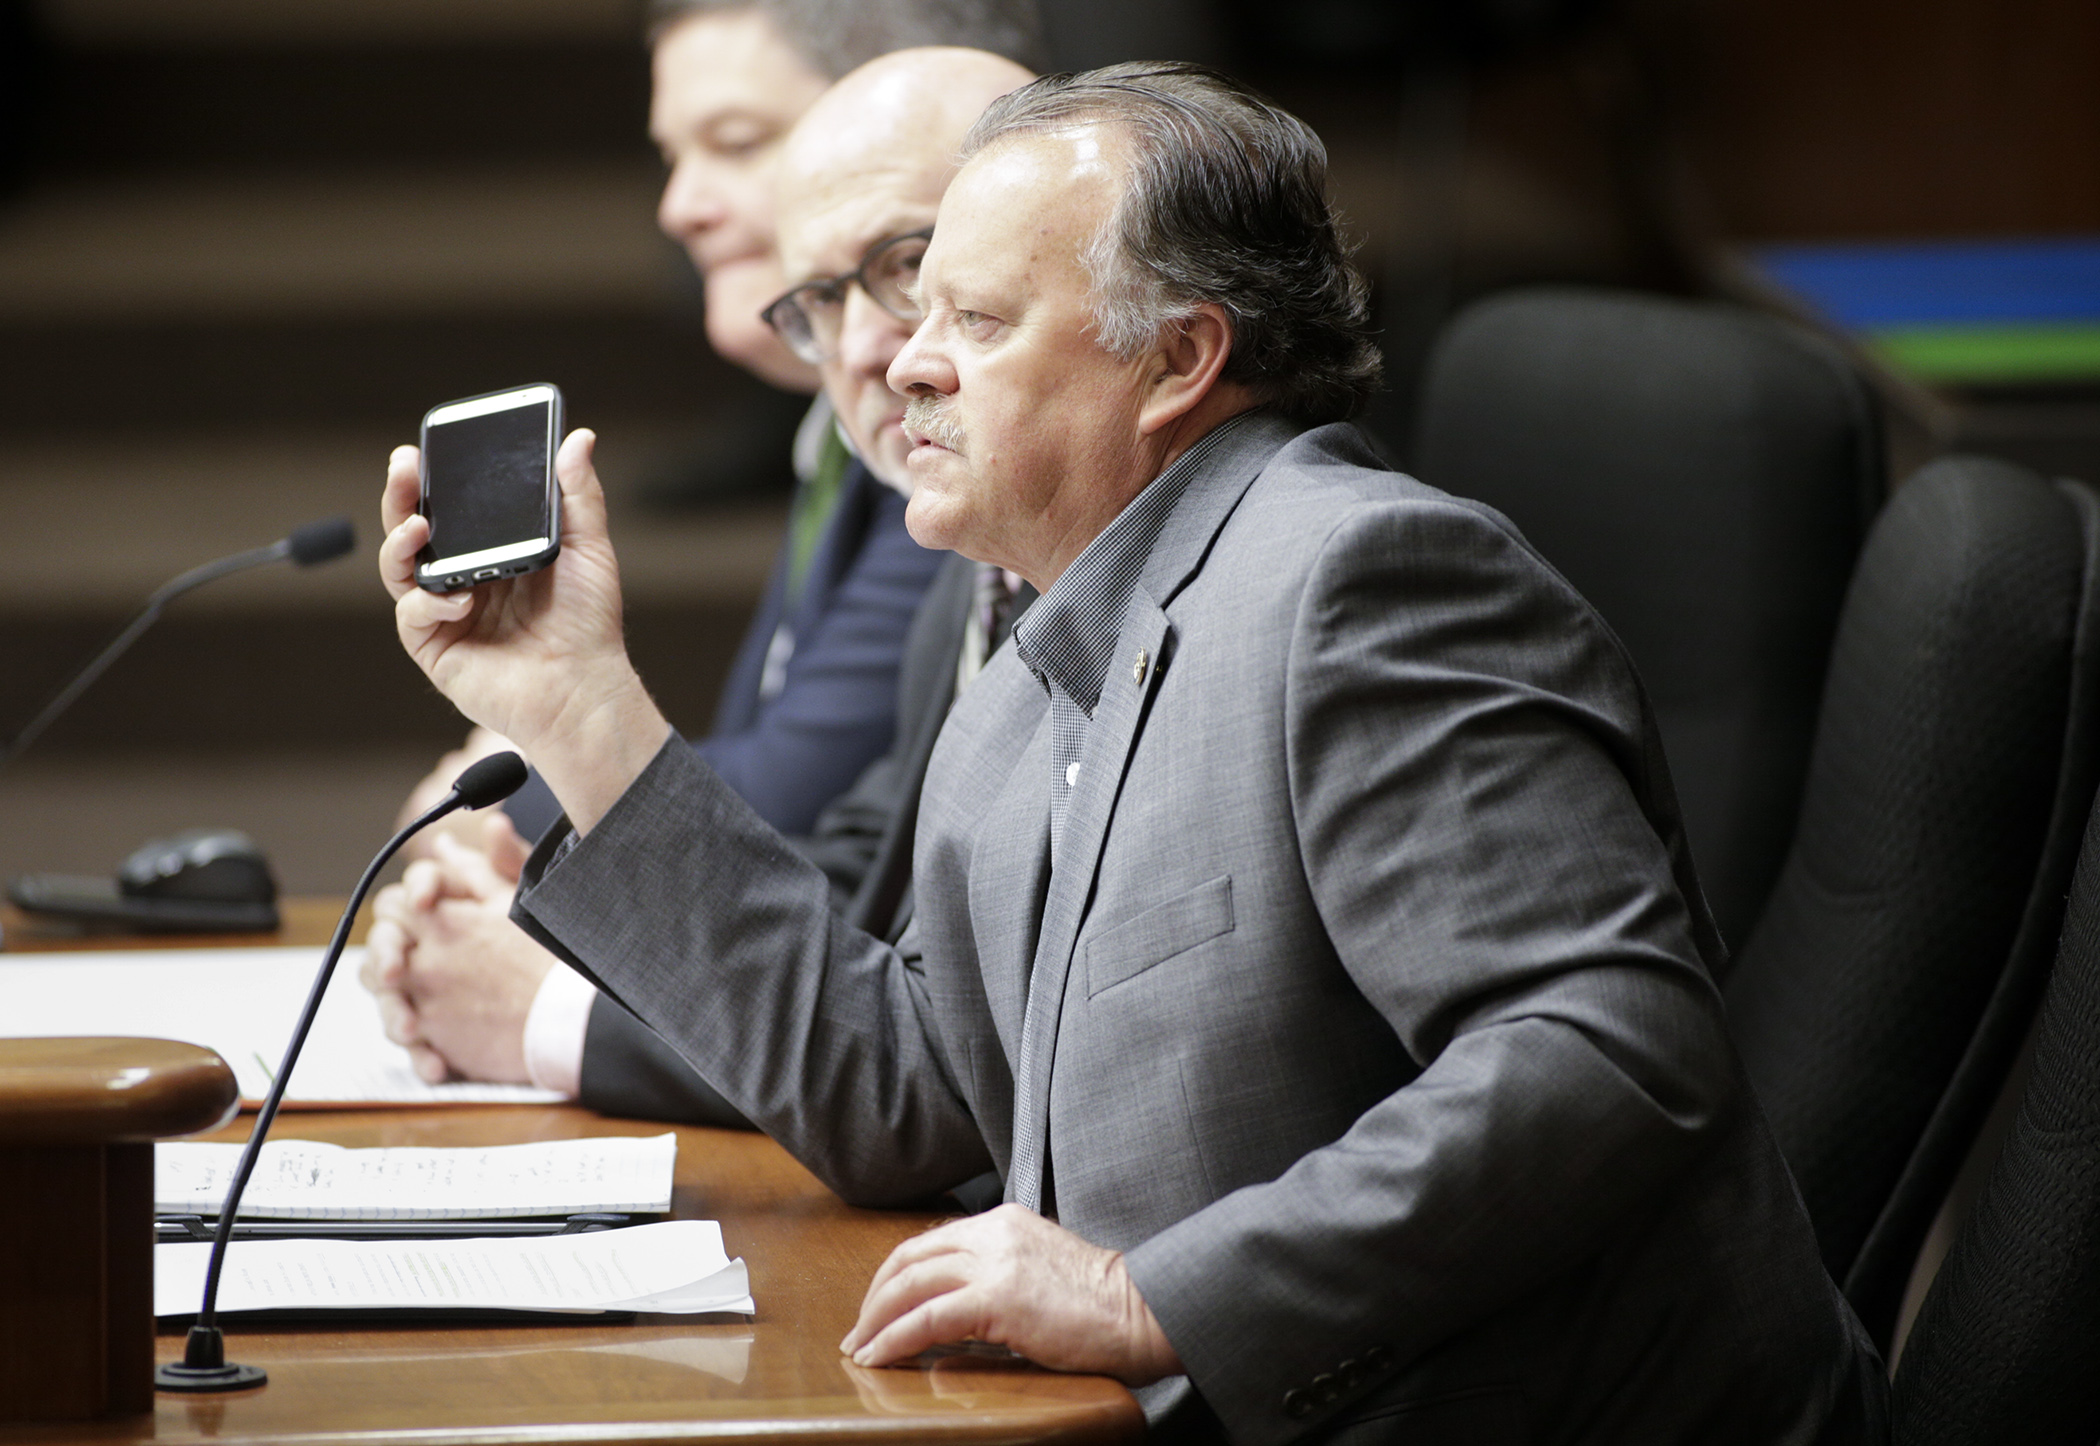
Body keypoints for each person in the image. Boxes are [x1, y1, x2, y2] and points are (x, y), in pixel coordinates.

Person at [377, 62, 1888, 1443]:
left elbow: (1606, 1050)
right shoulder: (1037, 646)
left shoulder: (1366, 589)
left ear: (1176, 359)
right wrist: (574, 702)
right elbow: (907, 1091)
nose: (905, 365)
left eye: (974, 320)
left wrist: (1152, 1293)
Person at [361, 3, 1042, 1088]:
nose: (679, 207)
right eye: (822, 296)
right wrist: (566, 719)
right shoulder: (935, 519)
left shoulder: (1022, 529)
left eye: (734, 142)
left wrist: (544, 1005)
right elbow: (861, 938)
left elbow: (935, 1046)